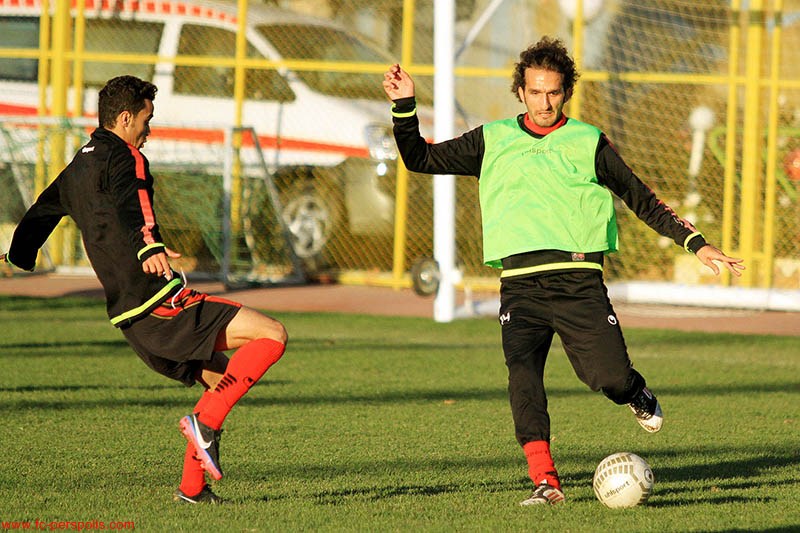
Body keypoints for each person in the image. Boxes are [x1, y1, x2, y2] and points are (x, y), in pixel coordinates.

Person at [382, 37, 744, 506]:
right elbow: (420, 158)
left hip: (577, 282)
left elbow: (642, 198)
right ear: (521, 91)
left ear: (566, 91)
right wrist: (405, 105)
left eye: (553, 92)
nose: (544, 101)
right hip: (519, 286)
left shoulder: (589, 141)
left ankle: (634, 391)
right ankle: (545, 480)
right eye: (535, 92)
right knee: (523, 376)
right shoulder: (491, 139)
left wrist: (696, 244)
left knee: (608, 377)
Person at [1, 75, 288, 504]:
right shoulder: (127, 156)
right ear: (124, 118)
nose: (148, 131)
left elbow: (42, 211)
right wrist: (149, 243)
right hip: (158, 300)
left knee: (219, 380)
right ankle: (204, 427)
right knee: (272, 334)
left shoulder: (77, 165)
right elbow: (133, 200)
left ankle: (192, 489)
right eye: (146, 120)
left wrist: (16, 256)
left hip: (129, 319)